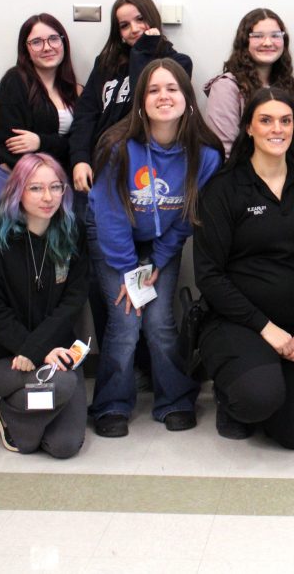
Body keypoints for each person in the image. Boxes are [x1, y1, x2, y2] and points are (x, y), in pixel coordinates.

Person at [87, 58, 222, 437]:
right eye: (153, 90)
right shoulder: (118, 148)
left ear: (187, 98)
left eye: (172, 89)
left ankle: (175, 399)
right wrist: (132, 273)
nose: (163, 96)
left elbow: (188, 218)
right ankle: (111, 404)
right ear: (141, 101)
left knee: (161, 321)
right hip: (116, 244)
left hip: (163, 244)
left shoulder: (206, 155)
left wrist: (158, 262)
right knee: (125, 322)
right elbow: (109, 215)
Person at [194, 87, 294, 449]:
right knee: (257, 398)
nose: (277, 128)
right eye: (266, 120)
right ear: (249, 128)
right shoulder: (224, 189)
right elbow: (209, 275)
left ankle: (270, 387)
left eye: (285, 121)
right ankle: (235, 395)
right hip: (239, 324)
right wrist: (265, 328)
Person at [0, 153, 88, 458]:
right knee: (60, 388)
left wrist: (41, 350)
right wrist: (31, 350)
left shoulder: (72, 232)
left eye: (56, 187)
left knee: (65, 446)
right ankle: (10, 414)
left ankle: (24, 417)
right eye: (36, 188)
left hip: (60, 355)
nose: (48, 197)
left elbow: (72, 302)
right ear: (18, 191)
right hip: (8, 360)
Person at [69, 0, 193, 196]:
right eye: (124, 25)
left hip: (146, 170)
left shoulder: (178, 64)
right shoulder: (105, 64)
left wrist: (142, 51)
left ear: (152, 19)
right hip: (100, 163)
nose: (134, 29)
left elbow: (141, 102)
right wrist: (80, 158)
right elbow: (85, 114)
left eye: (140, 19)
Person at [0, 13, 81, 222]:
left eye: (54, 39)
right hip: (15, 189)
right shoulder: (15, 82)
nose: (47, 47)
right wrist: (62, 149)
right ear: (26, 49)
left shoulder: (74, 91)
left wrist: (40, 141)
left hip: (55, 191)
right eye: (36, 42)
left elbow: (79, 145)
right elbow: (10, 148)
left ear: (64, 42)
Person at [204, 8, 294, 157]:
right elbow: (224, 152)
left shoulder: (287, 85)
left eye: (275, 35)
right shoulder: (226, 88)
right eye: (258, 36)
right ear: (244, 41)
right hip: (240, 177)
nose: (267, 43)